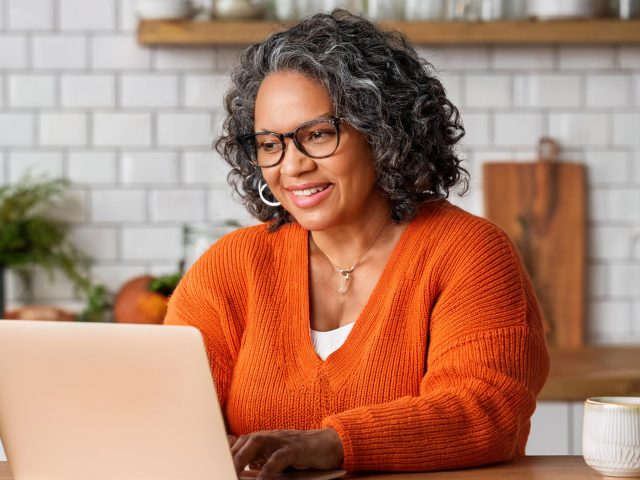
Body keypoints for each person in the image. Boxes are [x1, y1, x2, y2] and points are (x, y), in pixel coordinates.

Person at [164, 10, 550, 479]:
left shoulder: (469, 253)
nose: (292, 167)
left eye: (318, 135)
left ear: (383, 131)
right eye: (270, 144)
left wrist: (334, 443)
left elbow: (487, 411)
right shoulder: (231, 266)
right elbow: (170, 414)